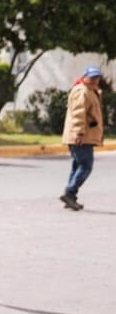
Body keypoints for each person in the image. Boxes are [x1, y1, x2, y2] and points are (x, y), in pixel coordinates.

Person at [61, 65, 105, 211]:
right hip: (81, 136)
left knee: (77, 165)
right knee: (86, 166)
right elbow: (78, 113)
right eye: (92, 77)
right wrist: (79, 133)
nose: (95, 80)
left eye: (97, 77)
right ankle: (69, 192)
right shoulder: (82, 91)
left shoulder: (90, 91)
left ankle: (70, 197)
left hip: (82, 136)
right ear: (85, 77)